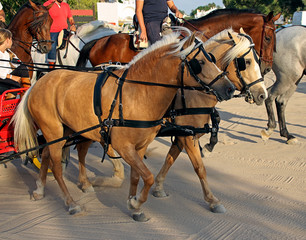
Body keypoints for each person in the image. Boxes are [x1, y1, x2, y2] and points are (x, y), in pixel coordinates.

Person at [43, 0, 76, 68]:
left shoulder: (66, 5)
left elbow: (70, 18)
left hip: (64, 30)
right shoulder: (48, 4)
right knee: (52, 43)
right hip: (53, 31)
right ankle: (51, 66)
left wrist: (72, 25)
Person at [0, 29, 30, 98]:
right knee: (15, 84)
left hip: (5, 78)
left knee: (22, 68)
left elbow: (20, 64)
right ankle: (7, 105)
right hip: (1, 79)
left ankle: (27, 93)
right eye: (11, 39)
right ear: (7, 40)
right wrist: (11, 77)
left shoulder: (8, 52)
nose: (12, 42)